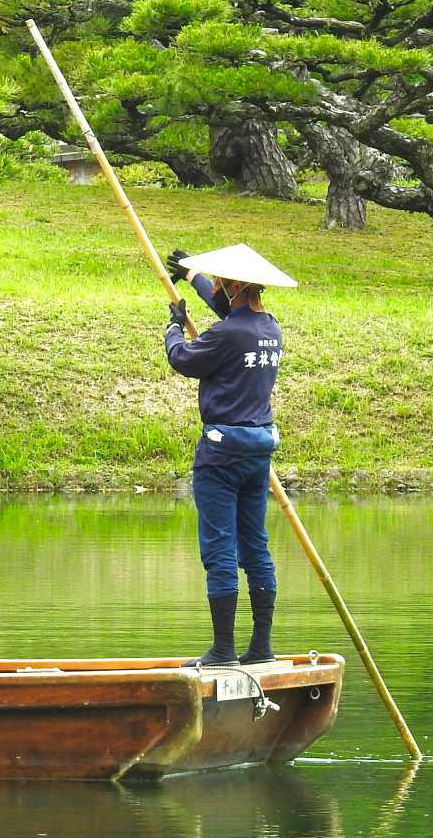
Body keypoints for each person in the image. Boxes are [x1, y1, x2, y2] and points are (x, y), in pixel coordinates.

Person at [161, 243, 297, 666]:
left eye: (221, 281)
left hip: (220, 456)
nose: (217, 286)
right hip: (258, 452)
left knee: (219, 547)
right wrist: (190, 275)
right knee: (255, 545)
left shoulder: (227, 335)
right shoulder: (269, 327)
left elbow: (182, 359)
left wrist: (174, 327)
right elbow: (224, 309)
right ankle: (260, 648)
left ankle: (223, 650)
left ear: (236, 285)